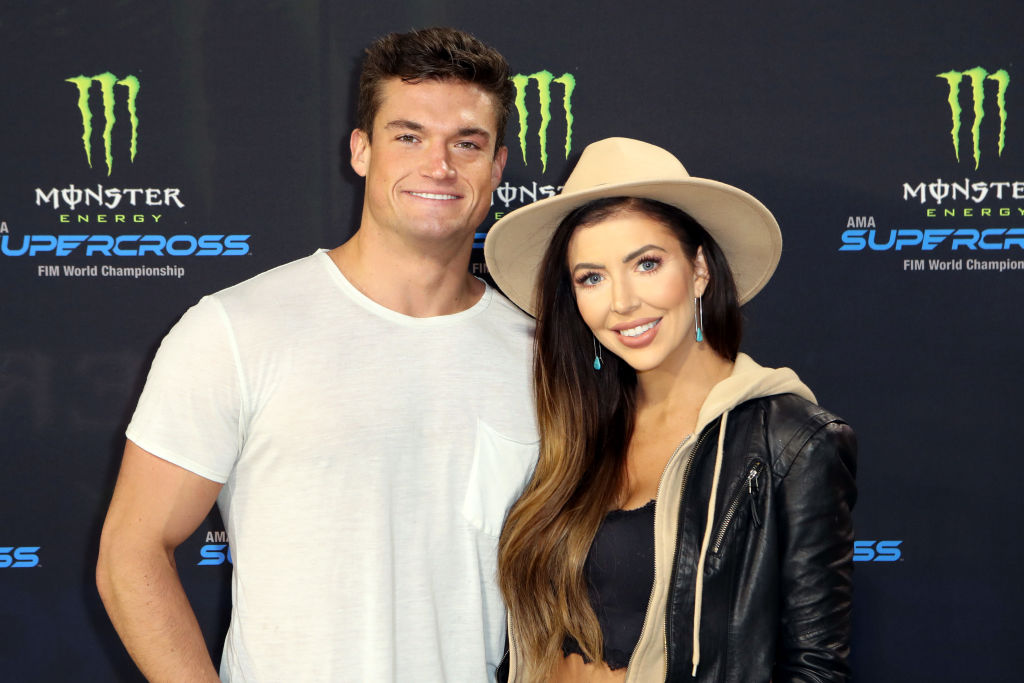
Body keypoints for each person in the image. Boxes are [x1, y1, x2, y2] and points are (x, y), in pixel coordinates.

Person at [96, 27, 538, 682]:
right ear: (361, 150)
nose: (439, 166)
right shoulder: (237, 329)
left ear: (497, 167)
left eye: (466, 143)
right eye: (408, 136)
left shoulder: (537, 354)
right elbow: (130, 553)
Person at [485, 137, 856, 682]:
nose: (622, 302)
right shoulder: (573, 428)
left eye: (646, 263)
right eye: (592, 277)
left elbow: (815, 667)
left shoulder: (791, 440)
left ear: (699, 269)